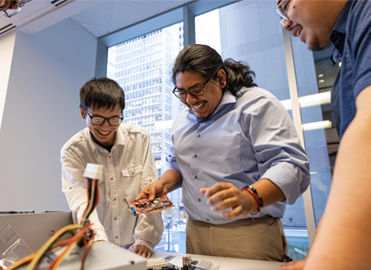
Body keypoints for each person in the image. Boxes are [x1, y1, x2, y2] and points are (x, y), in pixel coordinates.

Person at [137, 44, 310, 261]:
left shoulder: (256, 105)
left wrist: (249, 198)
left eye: (197, 89)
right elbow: (178, 166)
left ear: (220, 78)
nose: (190, 101)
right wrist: (163, 185)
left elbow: (291, 165)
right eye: (182, 92)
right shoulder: (182, 120)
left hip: (249, 233)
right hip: (195, 234)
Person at [277, 0, 371, 269]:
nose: (285, 22)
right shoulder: (346, 52)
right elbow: (351, 177)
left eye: (287, 5)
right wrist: (317, 256)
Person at [61, 77, 163, 258]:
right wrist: (98, 241)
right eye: (98, 119)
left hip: (136, 247)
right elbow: (81, 201)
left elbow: (149, 188)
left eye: (114, 119)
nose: (107, 127)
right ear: (84, 113)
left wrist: (146, 239)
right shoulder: (73, 151)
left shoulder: (140, 138)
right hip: (97, 246)